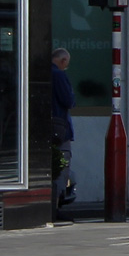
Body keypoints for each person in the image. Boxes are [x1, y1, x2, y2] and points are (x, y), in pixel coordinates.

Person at [51, 48, 76, 219]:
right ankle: (56, 205)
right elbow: (69, 100)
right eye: (66, 63)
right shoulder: (59, 75)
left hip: (46, 128)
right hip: (59, 129)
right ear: (63, 61)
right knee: (61, 167)